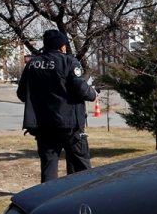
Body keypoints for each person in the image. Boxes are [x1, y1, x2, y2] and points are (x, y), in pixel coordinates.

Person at [17, 29, 97, 182]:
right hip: (69, 125)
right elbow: (80, 88)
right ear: (61, 46)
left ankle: (49, 196)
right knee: (82, 167)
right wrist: (93, 93)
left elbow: (21, 94)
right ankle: (85, 194)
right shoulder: (68, 62)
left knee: (49, 169)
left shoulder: (32, 64)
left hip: (43, 126)